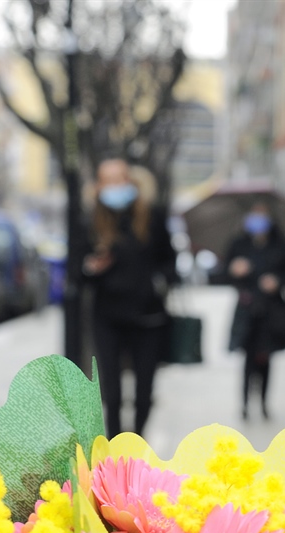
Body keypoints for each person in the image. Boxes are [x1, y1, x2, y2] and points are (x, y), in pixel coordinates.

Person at [81, 159, 176, 437]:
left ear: (132, 182)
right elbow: (77, 272)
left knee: (144, 389)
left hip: (147, 316)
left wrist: (158, 281)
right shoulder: (91, 223)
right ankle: (113, 446)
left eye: (120, 179)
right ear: (98, 187)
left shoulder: (152, 217)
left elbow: (169, 261)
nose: (115, 187)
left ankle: (137, 440)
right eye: (108, 181)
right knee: (111, 390)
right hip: (107, 316)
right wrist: (91, 268)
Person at [224, 202, 285, 421]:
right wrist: (234, 270)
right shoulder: (238, 245)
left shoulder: (280, 245)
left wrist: (277, 281)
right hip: (247, 310)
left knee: (266, 359)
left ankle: (265, 404)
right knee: (247, 359)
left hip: (271, 312)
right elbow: (222, 275)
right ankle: (245, 404)